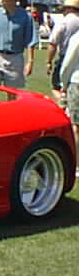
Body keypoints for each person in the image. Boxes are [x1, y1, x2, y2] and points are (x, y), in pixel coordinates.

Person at [46, 0, 79, 105]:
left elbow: (52, 43)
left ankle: (63, 104)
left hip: (65, 57)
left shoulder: (63, 22)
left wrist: (49, 61)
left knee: (56, 86)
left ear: (68, 9)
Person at [60, 30, 79, 176]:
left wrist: (63, 84)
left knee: (76, 126)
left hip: (77, 82)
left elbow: (68, 62)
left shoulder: (77, 37)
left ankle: (76, 164)